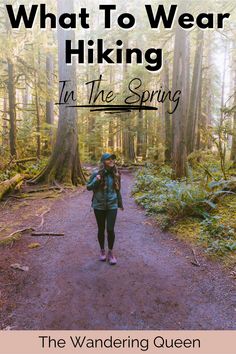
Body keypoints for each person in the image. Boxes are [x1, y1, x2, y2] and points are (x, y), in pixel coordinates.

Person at [86, 153, 124, 265]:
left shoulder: (116, 174)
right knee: (101, 229)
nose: (111, 160)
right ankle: (102, 250)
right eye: (108, 159)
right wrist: (96, 180)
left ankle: (110, 252)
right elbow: (88, 187)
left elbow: (118, 190)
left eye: (112, 159)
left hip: (112, 205)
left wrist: (120, 203)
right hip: (98, 205)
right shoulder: (96, 174)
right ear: (103, 162)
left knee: (110, 229)